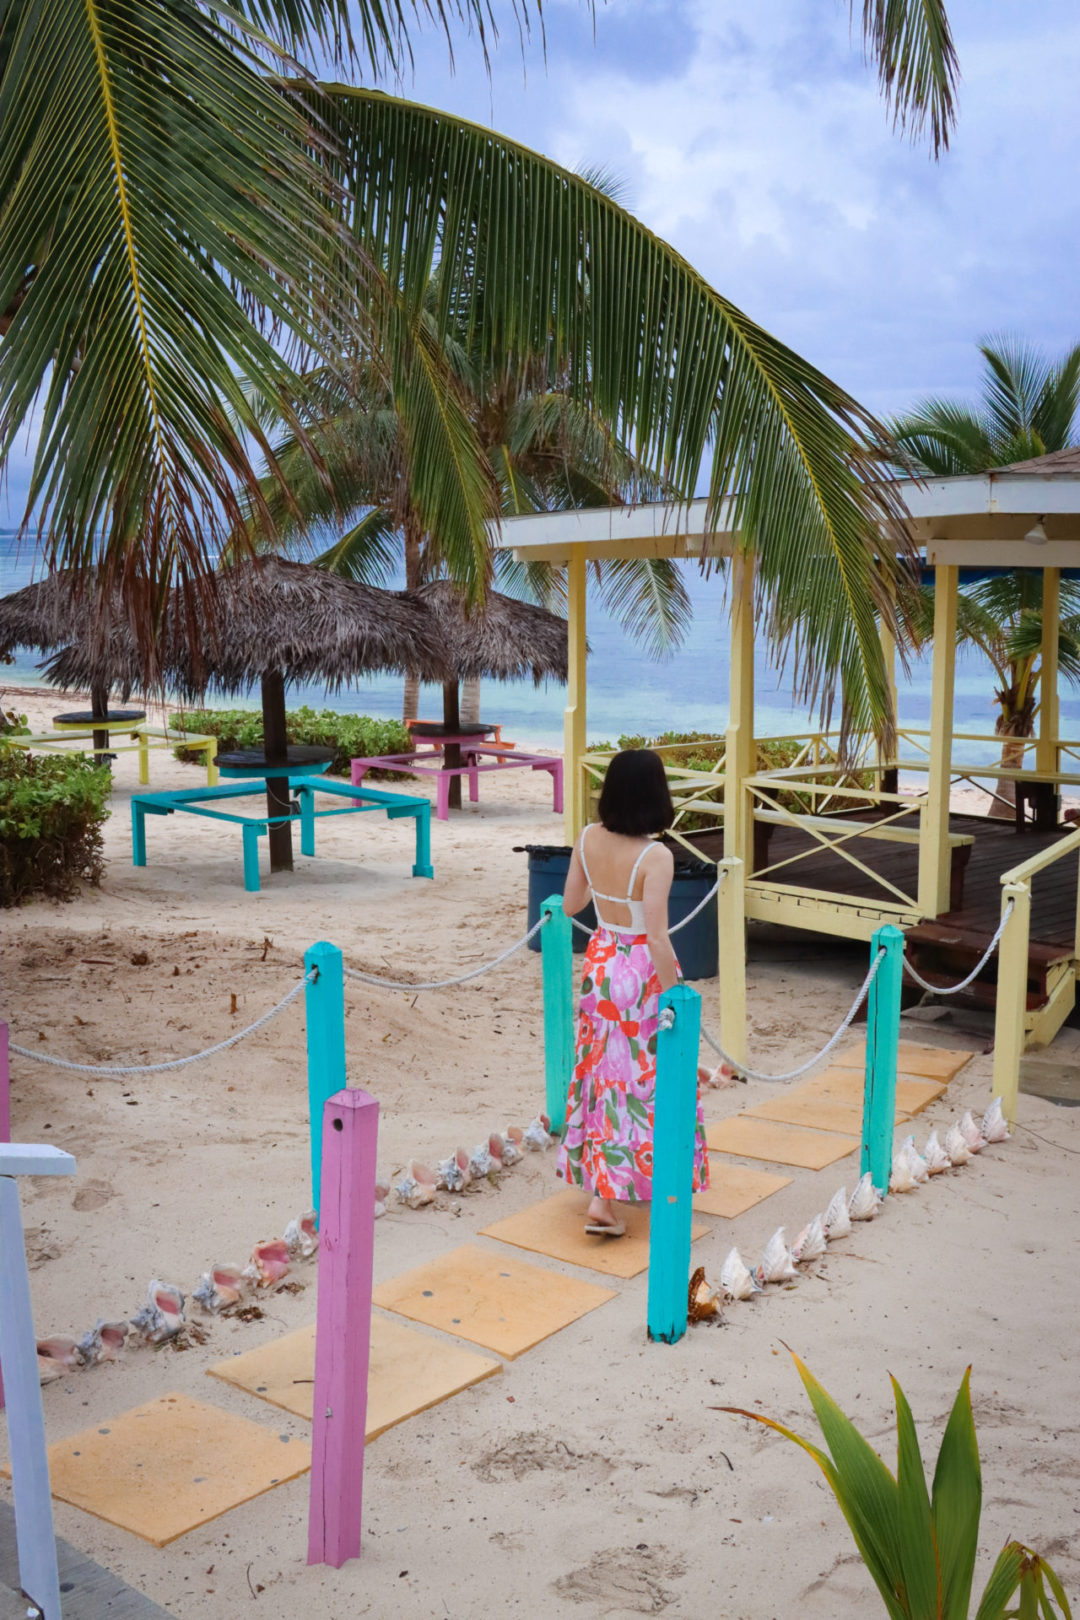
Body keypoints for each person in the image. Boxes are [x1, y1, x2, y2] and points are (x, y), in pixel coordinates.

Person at [555, 748, 711, 1236]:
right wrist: (677, 994)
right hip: (641, 970)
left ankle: (603, 1191)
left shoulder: (586, 838)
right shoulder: (656, 855)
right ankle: (627, 1190)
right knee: (647, 1079)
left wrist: (604, 889)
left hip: (601, 961)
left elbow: (568, 905)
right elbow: (658, 936)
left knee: (602, 1076)